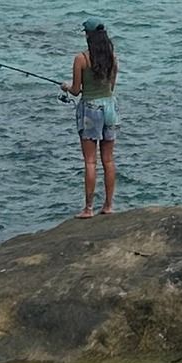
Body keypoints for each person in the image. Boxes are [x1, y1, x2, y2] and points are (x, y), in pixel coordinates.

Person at [63, 20, 118, 216]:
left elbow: (77, 91)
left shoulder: (81, 59)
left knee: (90, 161)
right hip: (110, 107)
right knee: (108, 160)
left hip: (90, 109)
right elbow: (111, 86)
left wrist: (66, 87)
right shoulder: (112, 57)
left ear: (88, 35)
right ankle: (109, 206)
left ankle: (88, 208)